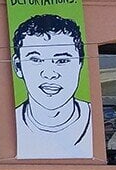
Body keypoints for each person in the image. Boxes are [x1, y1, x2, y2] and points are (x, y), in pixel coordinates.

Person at [12, 14, 92, 159]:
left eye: (62, 60)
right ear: (18, 65)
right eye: (36, 59)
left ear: (80, 63)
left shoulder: (96, 119)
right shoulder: (6, 126)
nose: (49, 74)